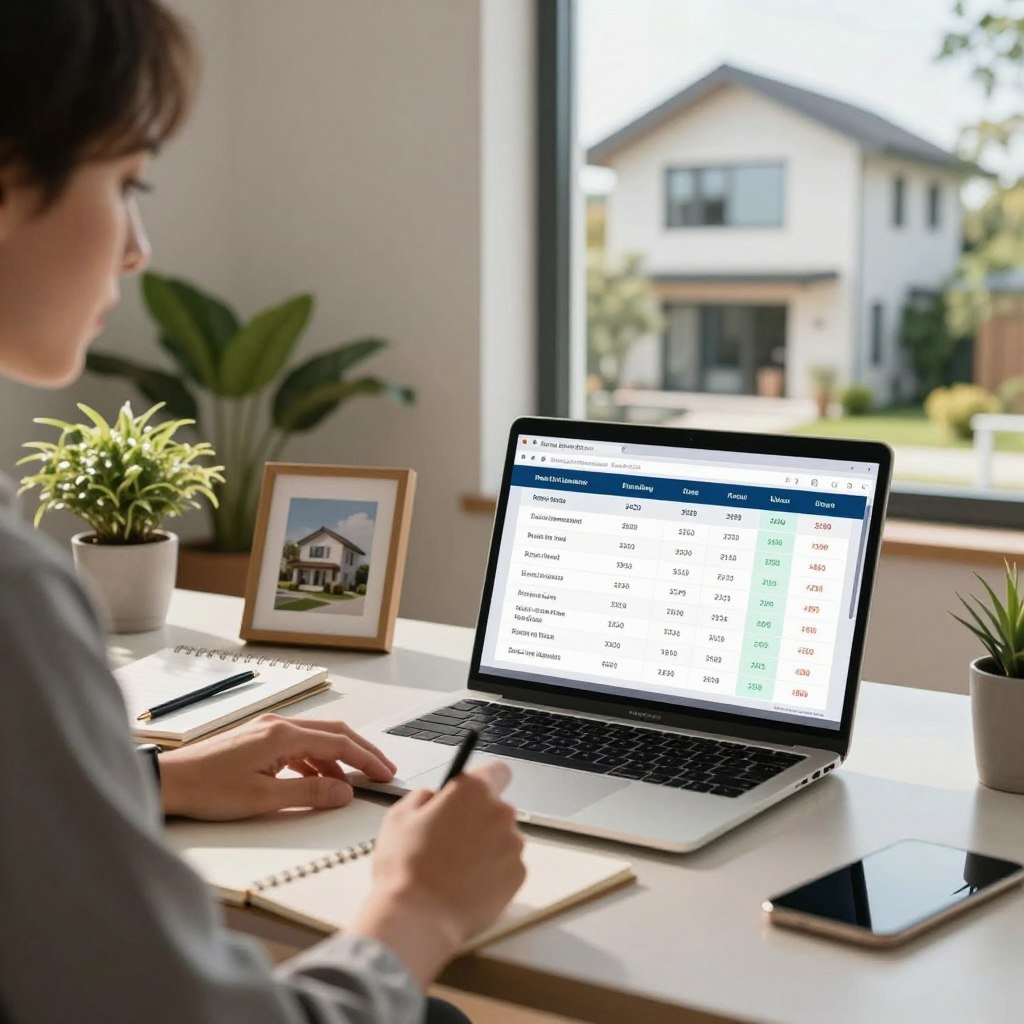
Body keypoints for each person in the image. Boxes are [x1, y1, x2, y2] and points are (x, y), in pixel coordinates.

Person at [0, 2, 526, 1022]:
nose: (138, 248)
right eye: (128, 183)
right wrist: (418, 910)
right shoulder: (15, 600)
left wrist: (152, 781)